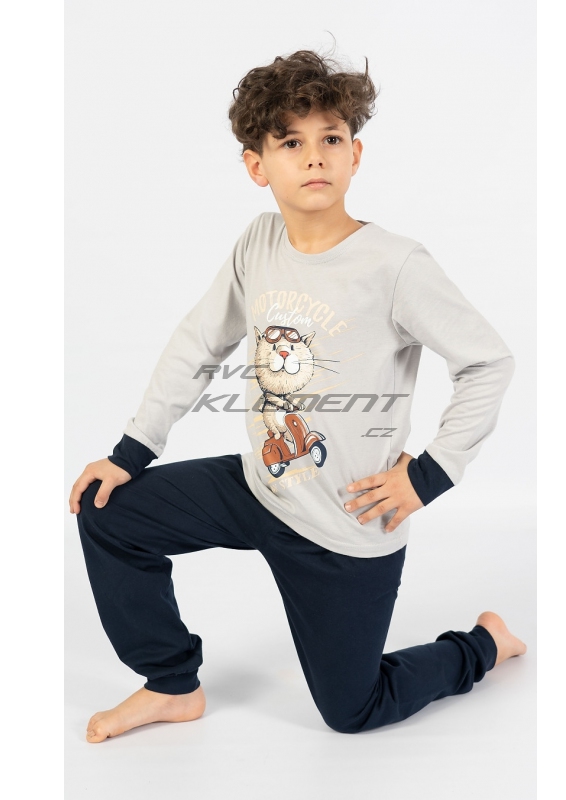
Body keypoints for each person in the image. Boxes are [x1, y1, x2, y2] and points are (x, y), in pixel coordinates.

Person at [69, 48, 526, 743]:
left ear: (355, 155)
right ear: (257, 166)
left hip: (345, 523)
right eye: (291, 142)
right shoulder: (258, 243)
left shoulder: (395, 265)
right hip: (260, 486)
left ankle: (484, 645)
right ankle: (171, 683)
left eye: (330, 139)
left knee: (353, 710)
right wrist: (130, 453)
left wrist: (429, 476)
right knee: (108, 511)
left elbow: (488, 362)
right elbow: (197, 345)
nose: (314, 156)